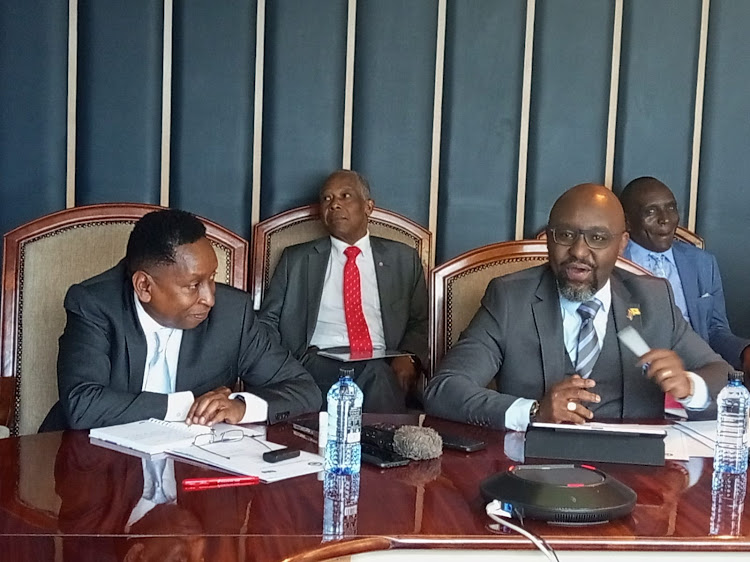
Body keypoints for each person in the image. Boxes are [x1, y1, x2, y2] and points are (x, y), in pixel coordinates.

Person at [424, 183, 730, 431]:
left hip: (637, 478)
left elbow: (725, 376)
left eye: (597, 238)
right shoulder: (509, 299)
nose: (579, 252)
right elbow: (445, 389)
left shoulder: (653, 300)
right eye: (566, 235)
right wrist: (532, 411)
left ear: (622, 244)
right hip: (535, 473)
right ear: (547, 239)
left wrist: (690, 386)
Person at [40, 209, 320, 431]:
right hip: (93, 472)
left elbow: (304, 390)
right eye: (193, 284)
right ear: (144, 286)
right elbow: (82, 404)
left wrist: (240, 406)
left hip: (189, 472)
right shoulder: (94, 305)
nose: (209, 298)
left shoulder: (232, 314)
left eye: (212, 278)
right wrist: (185, 406)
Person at [259, 169, 428, 412]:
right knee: (376, 376)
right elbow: (268, 321)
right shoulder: (296, 259)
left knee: (378, 373)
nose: (335, 204)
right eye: (327, 199)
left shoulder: (403, 259)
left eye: (345, 196)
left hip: (383, 360)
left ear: (369, 206)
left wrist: (409, 357)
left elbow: (419, 320)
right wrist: (280, 368)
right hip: (315, 361)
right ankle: (393, 444)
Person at [619, 176, 750, 373]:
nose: (665, 219)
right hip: (636, 374)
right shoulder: (614, 264)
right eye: (651, 212)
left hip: (697, 372)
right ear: (627, 222)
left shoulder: (702, 263)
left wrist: (744, 352)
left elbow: (716, 331)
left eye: (671, 208)